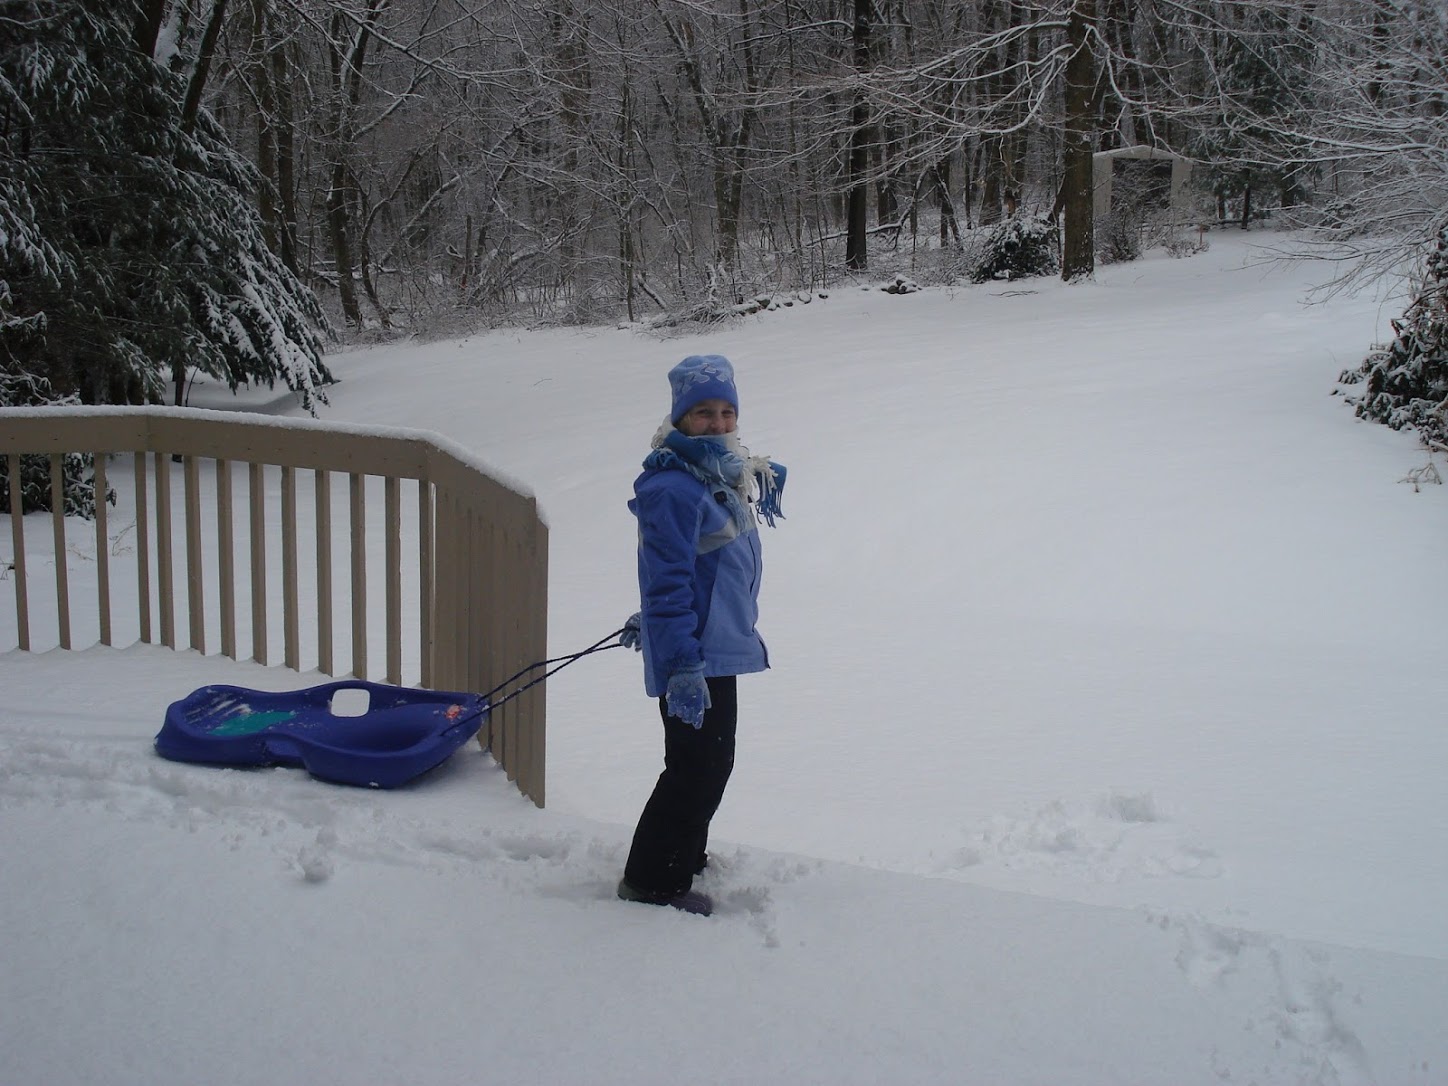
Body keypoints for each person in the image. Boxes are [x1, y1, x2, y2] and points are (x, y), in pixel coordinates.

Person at [616, 354, 785, 916]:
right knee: (697, 768)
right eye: (703, 412)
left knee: (707, 763)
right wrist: (681, 658)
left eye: (726, 411)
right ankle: (652, 882)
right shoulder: (675, 487)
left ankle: (682, 854)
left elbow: (694, 567)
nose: (717, 423)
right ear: (681, 418)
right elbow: (666, 580)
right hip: (696, 655)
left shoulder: (715, 473)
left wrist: (654, 619)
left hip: (713, 644)